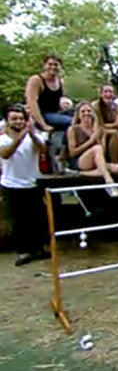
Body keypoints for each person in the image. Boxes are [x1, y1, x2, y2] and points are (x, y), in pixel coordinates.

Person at [0, 105, 50, 266]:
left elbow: (43, 149)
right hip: (11, 184)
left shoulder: (33, 136)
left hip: (32, 183)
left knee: (38, 219)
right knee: (19, 220)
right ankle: (23, 251)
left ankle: (38, 249)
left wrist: (32, 134)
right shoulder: (2, 138)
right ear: (7, 121)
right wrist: (21, 137)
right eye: (14, 118)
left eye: (21, 118)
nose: (19, 121)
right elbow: (5, 154)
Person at [66, 102, 118, 196]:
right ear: (78, 115)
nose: (86, 113)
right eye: (83, 111)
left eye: (89, 111)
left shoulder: (98, 129)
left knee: (117, 168)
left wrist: (100, 136)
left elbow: (102, 151)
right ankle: (109, 182)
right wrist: (91, 141)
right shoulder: (72, 129)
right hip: (80, 160)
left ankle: (80, 173)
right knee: (97, 148)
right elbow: (72, 153)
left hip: (96, 162)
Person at [24, 54, 72, 132]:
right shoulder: (36, 80)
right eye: (50, 64)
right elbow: (32, 104)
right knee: (71, 121)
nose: (53, 67)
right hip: (42, 115)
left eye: (56, 65)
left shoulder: (60, 81)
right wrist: (43, 125)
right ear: (44, 66)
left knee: (82, 116)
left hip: (57, 113)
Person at [91, 84, 118, 163]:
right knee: (115, 133)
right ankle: (114, 161)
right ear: (101, 94)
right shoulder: (95, 106)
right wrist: (115, 125)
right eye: (105, 92)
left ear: (114, 94)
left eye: (111, 92)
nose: (108, 94)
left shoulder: (117, 107)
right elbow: (99, 124)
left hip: (109, 129)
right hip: (95, 129)